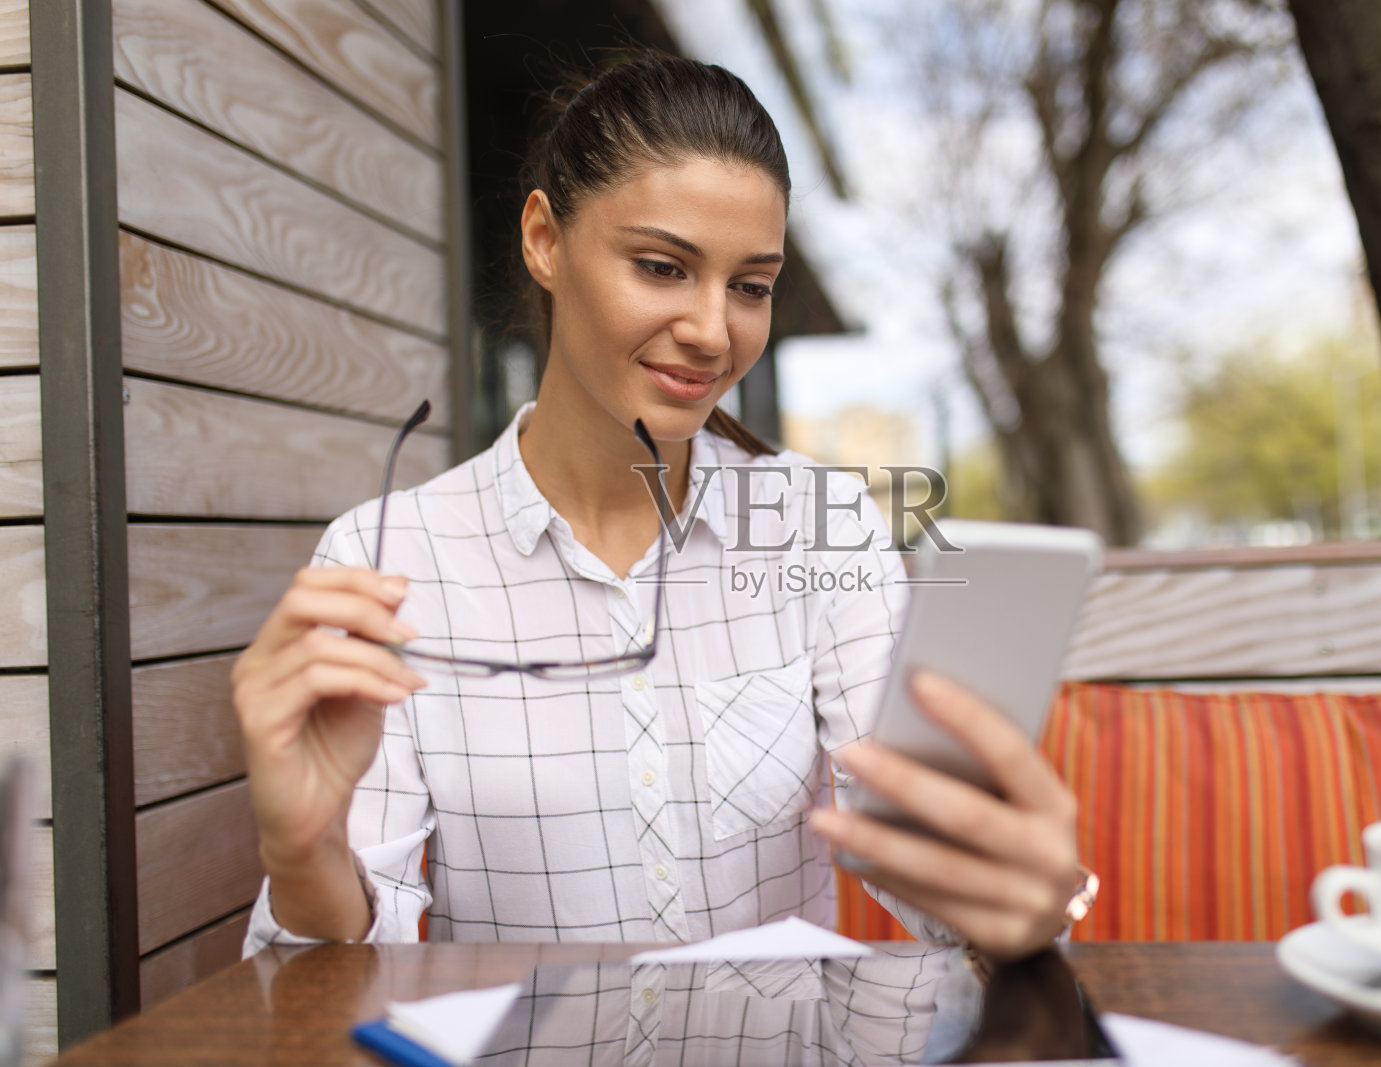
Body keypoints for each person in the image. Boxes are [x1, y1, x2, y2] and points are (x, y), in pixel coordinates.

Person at [232, 56, 1082, 966]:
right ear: (544, 239)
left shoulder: (817, 524)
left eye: (750, 286)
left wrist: (1013, 897)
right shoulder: (387, 554)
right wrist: (303, 848)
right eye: (661, 267)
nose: (714, 331)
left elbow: (938, 877)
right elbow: (338, 978)